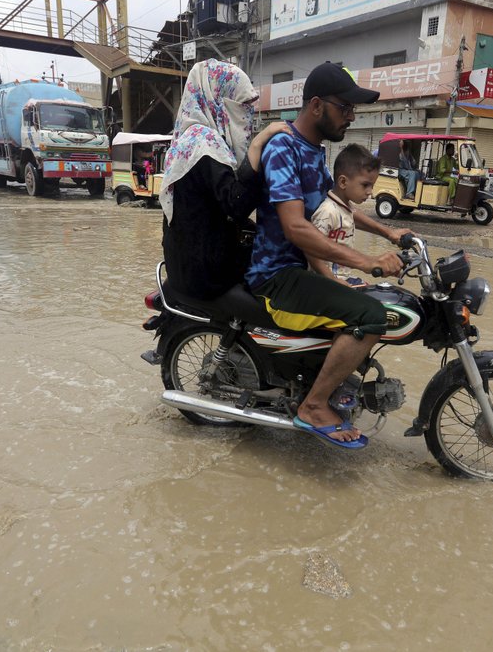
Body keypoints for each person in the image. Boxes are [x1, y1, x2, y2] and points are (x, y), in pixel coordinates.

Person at [247, 61, 408, 448]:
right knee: (372, 315)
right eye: (345, 108)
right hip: (278, 275)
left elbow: (339, 206)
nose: (351, 116)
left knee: (373, 299)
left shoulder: (314, 152)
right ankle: (314, 406)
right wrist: (366, 261)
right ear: (317, 105)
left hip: (304, 269)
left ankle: (327, 383)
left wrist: (390, 233)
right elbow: (296, 227)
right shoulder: (284, 147)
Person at [159, 59, 290, 300]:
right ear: (218, 100)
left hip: (185, 262)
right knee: (279, 275)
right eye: (241, 104)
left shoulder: (189, 138)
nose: (246, 113)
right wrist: (258, 144)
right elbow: (236, 203)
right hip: (205, 272)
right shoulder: (204, 144)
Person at [307, 143, 400, 286]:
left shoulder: (346, 208)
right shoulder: (328, 212)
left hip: (343, 277)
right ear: (343, 182)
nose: (370, 192)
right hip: (326, 282)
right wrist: (331, 279)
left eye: (372, 186)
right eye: (365, 185)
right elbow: (311, 250)